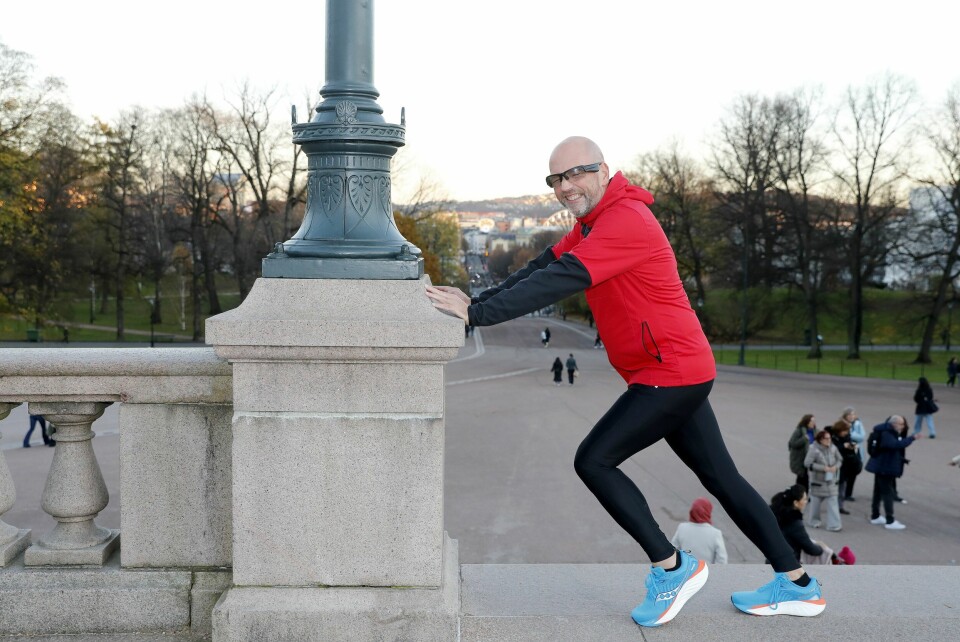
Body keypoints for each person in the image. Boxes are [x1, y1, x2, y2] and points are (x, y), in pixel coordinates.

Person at [425, 136, 824, 627]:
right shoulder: (594, 222)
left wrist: (477, 315)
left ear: (604, 170)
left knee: (594, 460)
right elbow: (543, 266)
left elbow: (562, 278)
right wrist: (474, 297)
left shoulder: (625, 220)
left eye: (576, 173)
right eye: (556, 179)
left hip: (670, 371)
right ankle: (798, 583)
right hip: (676, 367)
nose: (566, 186)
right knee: (722, 478)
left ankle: (672, 567)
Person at [865, 415, 919, 529]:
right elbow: (894, 445)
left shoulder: (883, 431)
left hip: (881, 466)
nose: (903, 427)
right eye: (901, 424)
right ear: (895, 424)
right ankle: (890, 520)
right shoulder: (888, 433)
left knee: (878, 491)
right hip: (885, 467)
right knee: (887, 493)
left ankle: (875, 516)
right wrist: (911, 439)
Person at [769, 486, 830, 563]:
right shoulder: (794, 523)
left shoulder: (775, 515)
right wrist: (822, 548)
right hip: (788, 564)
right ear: (796, 503)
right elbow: (811, 549)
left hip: (771, 560)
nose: (806, 502)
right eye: (804, 499)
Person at [803, 429, 842, 532]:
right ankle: (814, 521)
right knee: (815, 504)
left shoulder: (833, 448)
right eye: (826, 438)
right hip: (818, 482)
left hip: (831, 481)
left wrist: (836, 467)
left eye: (830, 438)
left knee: (833, 502)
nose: (829, 440)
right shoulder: (813, 449)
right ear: (820, 439)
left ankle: (834, 525)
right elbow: (807, 463)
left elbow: (840, 460)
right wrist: (823, 468)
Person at [671, 498, 728, 565]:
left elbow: (672, 552)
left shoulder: (682, 528)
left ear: (692, 511)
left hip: (687, 572)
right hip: (707, 572)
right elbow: (722, 560)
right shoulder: (715, 533)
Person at [829, 419, 861, 514]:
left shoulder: (847, 437)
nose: (846, 433)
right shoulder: (831, 437)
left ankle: (840, 506)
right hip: (834, 466)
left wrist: (852, 448)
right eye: (845, 431)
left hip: (845, 467)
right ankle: (831, 506)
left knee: (842, 489)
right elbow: (830, 450)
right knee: (830, 490)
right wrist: (843, 446)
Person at [840, 407, 865, 501]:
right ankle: (842, 493)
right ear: (845, 416)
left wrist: (851, 433)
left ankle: (848, 494)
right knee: (845, 473)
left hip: (857, 451)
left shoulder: (858, 423)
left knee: (854, 472)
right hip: (846, 452)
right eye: (849, 415)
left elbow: (862, 437)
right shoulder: (841, 424)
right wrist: (853, 435)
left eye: (853, 414)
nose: (851, 416)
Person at [788, 415, 817, 490]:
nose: (813, 422)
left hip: (811, 458)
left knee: (808, 478)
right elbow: (793, 443)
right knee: (802, 478)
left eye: (814, 421)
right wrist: (804, 439)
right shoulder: (799, 431)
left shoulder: (815, 431)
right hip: (800, 459)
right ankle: (800, 494)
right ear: (806, 422)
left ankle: (803, 494)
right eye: (811, 421)